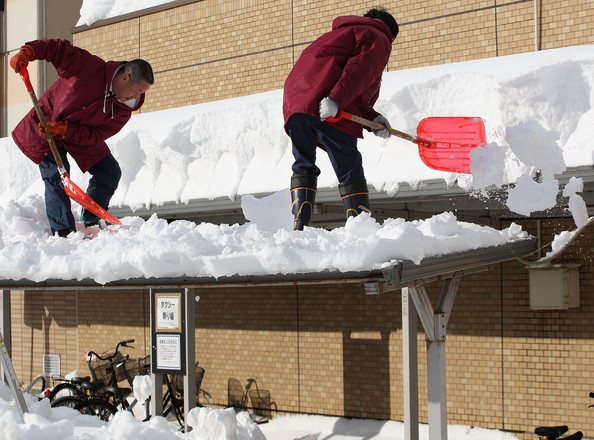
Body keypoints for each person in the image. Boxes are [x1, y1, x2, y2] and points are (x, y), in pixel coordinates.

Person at [10, 39, 154, 237]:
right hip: (46, 124)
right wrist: (28, 52)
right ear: (124, 77)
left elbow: (95, 135)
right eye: (136, 91)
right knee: (58, 176)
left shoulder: (122, 112)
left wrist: (66, 129)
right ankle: (64, 233)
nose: (136, 98)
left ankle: (91, 219)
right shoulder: (88, 67)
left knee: (109, 172)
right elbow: (58, 50)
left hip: (76, 134)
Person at [283, 7, 398, 230]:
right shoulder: (378, 36)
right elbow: (359, 72)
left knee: (303, 164)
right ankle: (360, 228)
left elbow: (356, 89)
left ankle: (299, 227)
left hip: (296, 104)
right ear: (390, 33)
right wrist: (335, 100)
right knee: (349, 166)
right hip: (327, 100)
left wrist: (374, 119)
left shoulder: (340, 34)